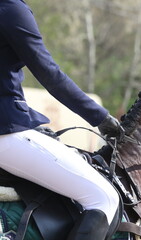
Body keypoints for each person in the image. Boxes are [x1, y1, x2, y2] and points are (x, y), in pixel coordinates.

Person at [0, 0, 122, 239]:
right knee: (103, 198)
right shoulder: (11, 8)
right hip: (5, 131)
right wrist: (99, 116)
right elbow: (49, 73)